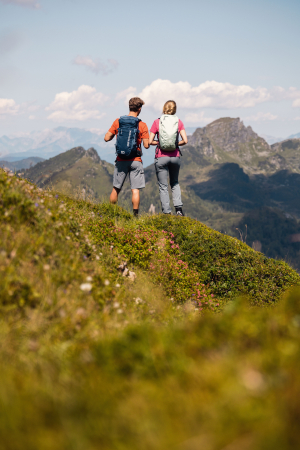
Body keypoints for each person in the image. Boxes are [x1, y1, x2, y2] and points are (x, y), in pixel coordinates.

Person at [104, 97, 149, 216]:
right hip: (136, 160)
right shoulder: (142, 125)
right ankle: (135, 216)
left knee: (116, 188)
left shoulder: (118, 122)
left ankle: (111, 213)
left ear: (129, 107)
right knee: (135, 190)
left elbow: (106, 138)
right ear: (139, 109)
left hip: (121, 159)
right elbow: (146, 145)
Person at [149, 100, 188, 216]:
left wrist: (159, 143)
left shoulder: (157, 122)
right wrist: (176, 145)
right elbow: (185, 141)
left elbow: (150, 141)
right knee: (175, 183)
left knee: (163, 186)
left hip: (161, 157)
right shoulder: (178, 122)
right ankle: (179, 210)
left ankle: (167, 212)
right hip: (175, 157)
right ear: (175, 109)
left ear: (164, 108)